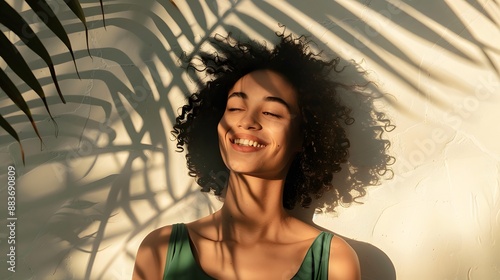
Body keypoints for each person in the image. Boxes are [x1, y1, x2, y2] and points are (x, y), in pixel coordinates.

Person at [133, 30, 391, 279]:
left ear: (303, 137)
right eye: (235, 107)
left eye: (271, 112)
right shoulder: (162, 250)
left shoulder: (334, 261)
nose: (247, 121)